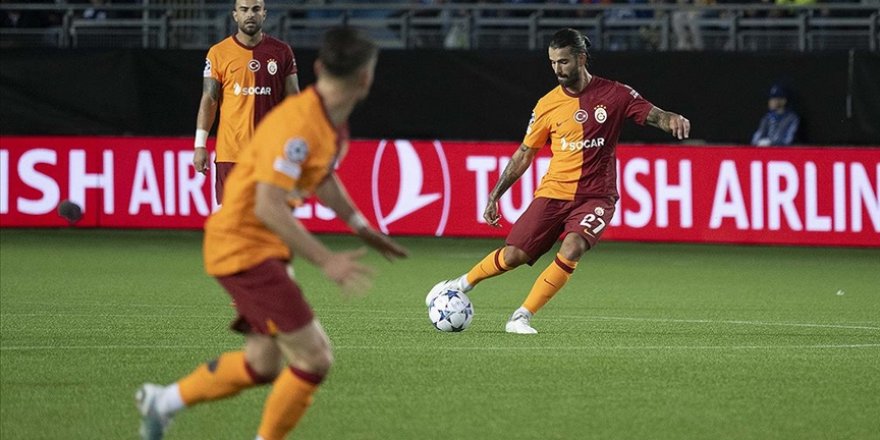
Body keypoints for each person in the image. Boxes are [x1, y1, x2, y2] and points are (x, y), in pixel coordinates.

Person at [136, 27, 409, 440]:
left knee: (262, 364)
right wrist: (326, 259)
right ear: (367, 78)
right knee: (315, 359)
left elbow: (323, 178)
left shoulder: (330, 120)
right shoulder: (299, 123)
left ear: (317, 67)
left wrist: (359, 225)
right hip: (243, 246)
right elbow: (267, 205)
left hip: (261, 245)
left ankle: (163, 401)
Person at [426, 28, 690, 334]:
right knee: (514, 255)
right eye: (552, 63)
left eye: (563, 62)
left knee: (573, 246)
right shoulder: (547, 105)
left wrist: (671, 118)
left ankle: (521, 316)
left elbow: (654, 114)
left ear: (580, 59)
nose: (557, 69)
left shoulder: (615, 95)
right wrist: (495, 195)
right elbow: (525, 153)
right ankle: (459, 284)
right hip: (553, 192)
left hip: (597, 196)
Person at [193, 0, 300, 204]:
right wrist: (200, 145)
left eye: (255, 9)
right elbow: (209, 99)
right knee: (233, 224)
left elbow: (294, 100)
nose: (250, 14)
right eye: (244, 10)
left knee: (270, 222)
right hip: (231, 153)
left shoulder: (281, 51)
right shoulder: (218, 53)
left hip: (270, 153)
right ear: (235, 15)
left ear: (264, 14)